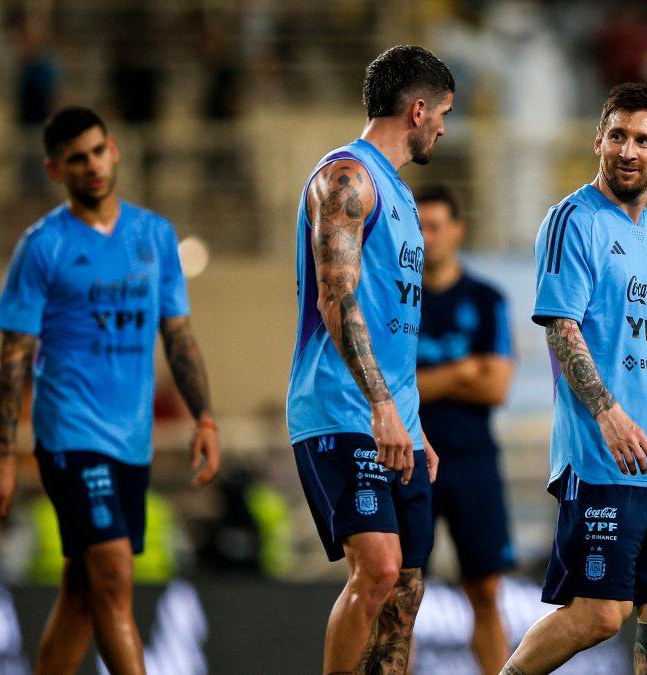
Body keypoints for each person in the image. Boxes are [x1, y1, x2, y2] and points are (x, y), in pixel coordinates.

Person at [0, 106, 222, 675]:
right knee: (112, 573)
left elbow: (179, 336)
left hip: (131, 440)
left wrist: (204, 418)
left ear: (114, 150)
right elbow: (13, 362)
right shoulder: (43, 246)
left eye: (96, 152)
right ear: (54, 170)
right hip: (71, 433)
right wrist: (3, 458)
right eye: (75, 159)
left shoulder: (155, 235)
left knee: (83, 592)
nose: (91, 166)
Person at [502, 83, 647, 675]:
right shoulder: (573, 220)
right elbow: (561, 327)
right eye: (618, 136)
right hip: (601, 454)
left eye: (643, 139)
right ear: (598, 140)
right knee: (599, 614)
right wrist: (608, 414)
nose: (628, 151)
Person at [286, 45, 453, 674]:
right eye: (443, 114)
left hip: (395, 420)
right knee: (378, 569)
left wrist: (412, 420)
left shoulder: (402, 195)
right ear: (419, 110)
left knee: (405, 593)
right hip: (341, 408)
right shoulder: (347, 178)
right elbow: (336, 296)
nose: (443, 128)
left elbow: (393, 324)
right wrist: (382, 404)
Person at [414, 184, 516, 673]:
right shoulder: (394, 299)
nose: (426, 238)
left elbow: (496, 386)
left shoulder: (486, 299)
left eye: (435, 227)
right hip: (410, 461)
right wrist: (462, 371)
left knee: (486, 590)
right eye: (418, 228)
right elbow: (385, 390)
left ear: (457, 230)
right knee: (401, 593)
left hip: (473, 461)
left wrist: (420, 382)